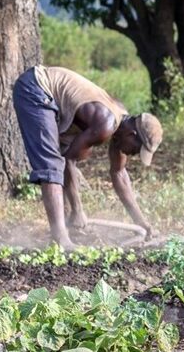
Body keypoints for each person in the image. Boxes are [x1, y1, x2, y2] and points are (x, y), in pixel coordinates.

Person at [13, 65, 163, 248]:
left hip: (51, 97)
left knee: (59, 159)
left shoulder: (120, 126)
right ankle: (60, 240)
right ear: (132, 134)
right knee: (52, 165)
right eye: (137, 150)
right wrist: (78, 210)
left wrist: (141, 223)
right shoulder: (106, 125)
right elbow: (69, 160)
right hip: (36, 87)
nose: (134, 154)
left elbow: (119, 174)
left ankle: (64, 227)